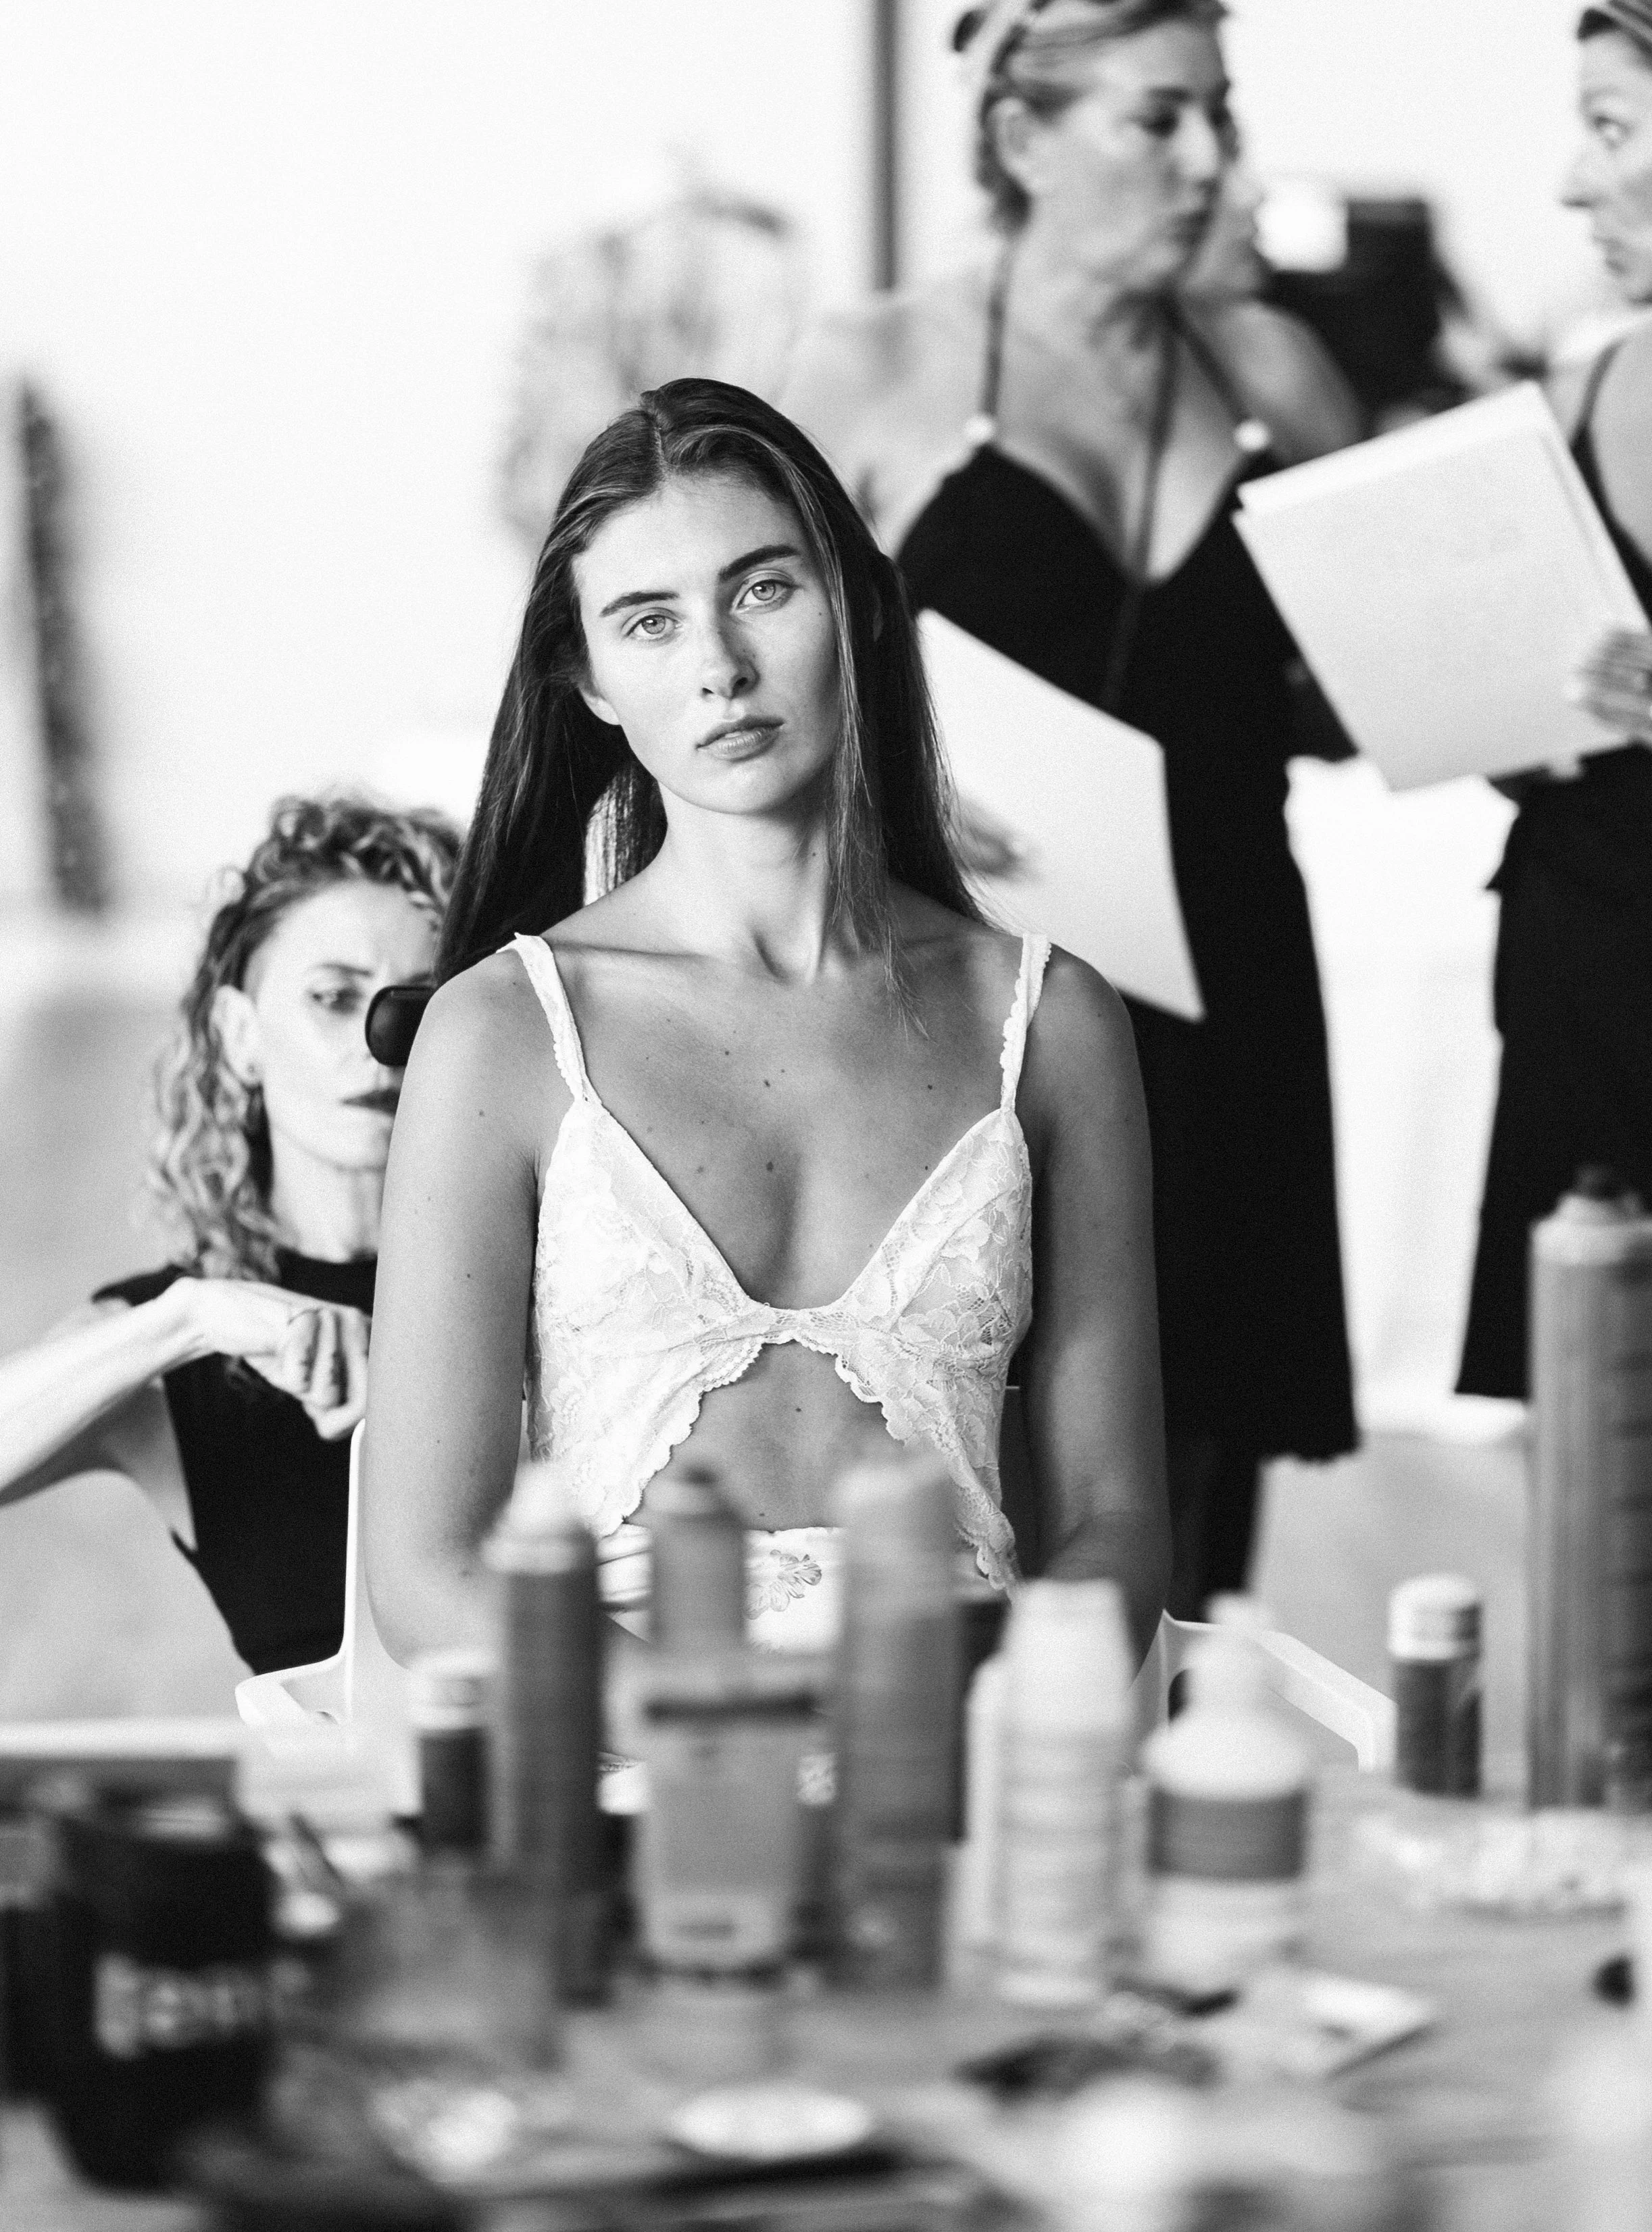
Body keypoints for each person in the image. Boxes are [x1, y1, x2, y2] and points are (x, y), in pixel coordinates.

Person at [363, 378, 1170, 1668]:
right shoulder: (503, 1035)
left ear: (855, 608)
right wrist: (707, 1732)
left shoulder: (1051, 1019)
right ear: (589, 682)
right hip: (627, 1763)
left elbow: (1117, 1525)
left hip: (956, 1751)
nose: (720, 668)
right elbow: (425, 1575)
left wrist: (953, 1722)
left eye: (762, 589)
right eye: (649, 623)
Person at [781, 0, 1360, 1618]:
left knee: (1191, 1465)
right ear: (1021, 137)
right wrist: (892, 798)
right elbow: (738, 677)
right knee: (980, 1431)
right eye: (1155, 121)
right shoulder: (871, 369)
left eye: (1217, 119)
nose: (1207, 164)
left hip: (1230, 977)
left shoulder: (1270, 376)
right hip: (978, 989)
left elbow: (1354, 691)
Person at [0, 794, 458, 1676]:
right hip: (338, 1805)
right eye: (332, 997)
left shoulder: (543, 1291)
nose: (380, 1042)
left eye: (416, 1005)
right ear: (241, 1037)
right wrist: (190, 1320)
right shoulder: (177, 1346)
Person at [1458, 0, 1652, 1430]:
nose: (1567, 181)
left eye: (1609, 128)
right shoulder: (1595, 388)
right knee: (1597, 1449)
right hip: (1586, 986)